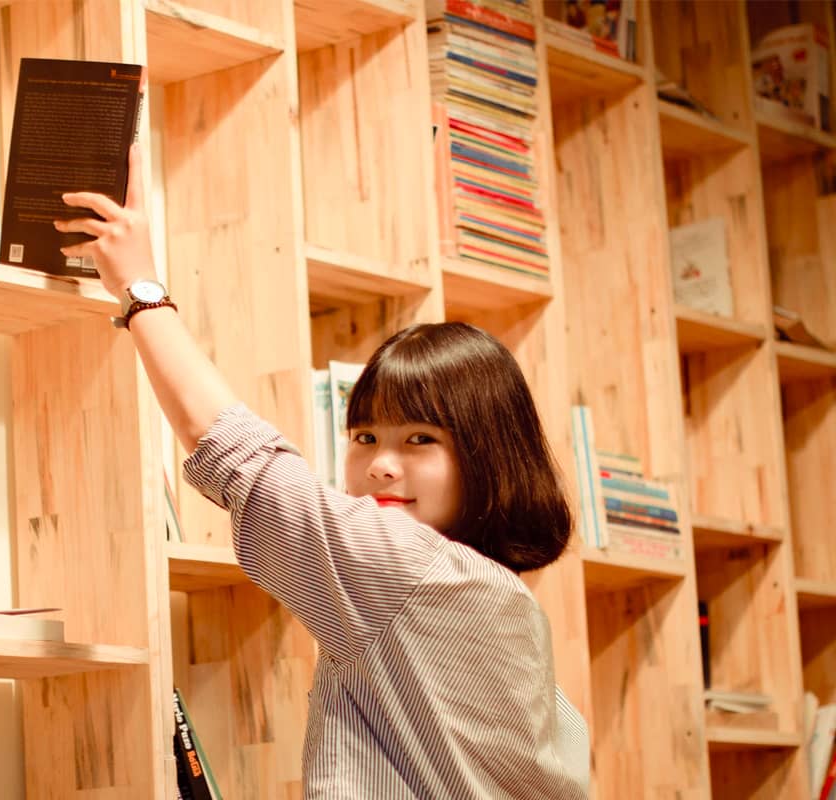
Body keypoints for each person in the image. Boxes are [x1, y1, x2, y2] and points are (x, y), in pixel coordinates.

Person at [56, 144, 590, 799]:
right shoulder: (506, 598)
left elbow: (237, 454)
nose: (381, 467)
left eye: (420, 439)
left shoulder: (408, 567)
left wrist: (140, 290)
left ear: (488, 455)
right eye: (365, 436)